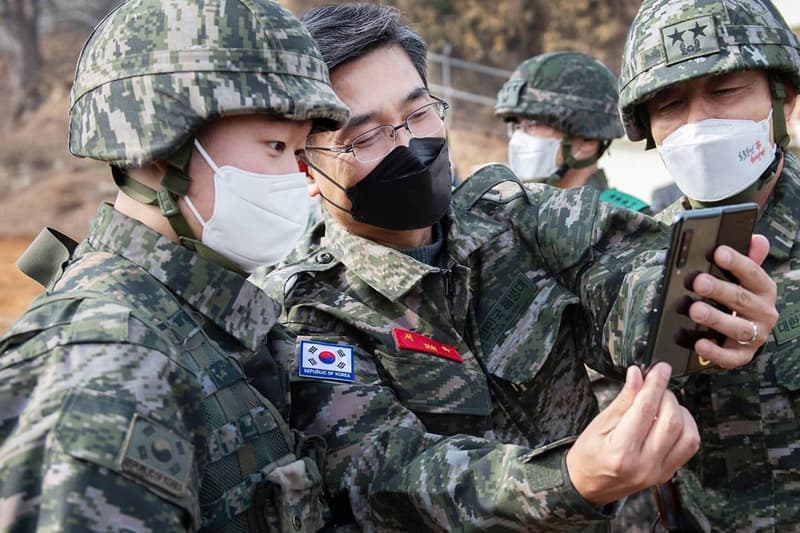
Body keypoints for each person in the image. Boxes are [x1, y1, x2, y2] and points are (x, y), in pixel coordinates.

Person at [262, 4, 777, 531]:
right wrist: (567, 479)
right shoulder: (304, 311)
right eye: (366, 136)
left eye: (419, 114)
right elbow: (385, 472)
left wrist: (703, 308)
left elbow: (628, 273)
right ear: (307, 166)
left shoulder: (513, 216)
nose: (409, 146)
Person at [0, 0, 349, 530]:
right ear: (159, 148)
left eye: (301, 152)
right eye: (276, 145)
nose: (295, 178)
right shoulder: (104, 362)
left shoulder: (203, 319)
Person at [619, 0, 800, 530]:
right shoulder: (628, 258)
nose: (699, 124)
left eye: (724, 91)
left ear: (781, 100)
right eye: (671, 105)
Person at [495, 51, 649, 213]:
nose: (518, 138)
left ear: (587, 139)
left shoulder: (628, 223)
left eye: (533, 124)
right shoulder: (505, 216)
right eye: (516, 126)